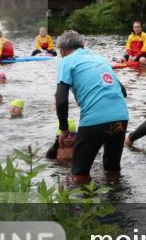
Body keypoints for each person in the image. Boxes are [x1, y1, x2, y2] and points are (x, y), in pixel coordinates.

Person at [55, 30, 129, 182]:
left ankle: (80, 204)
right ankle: (116, 199)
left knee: (79, 173)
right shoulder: (99, 59)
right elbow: (123, 91)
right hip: (121, 116)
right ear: (82, 45)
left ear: (62, 50)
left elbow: (61, 99)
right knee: (112, 169)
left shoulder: (66, 61)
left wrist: (64, 128)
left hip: (95, 120)